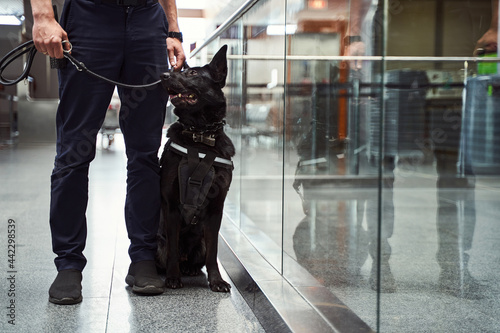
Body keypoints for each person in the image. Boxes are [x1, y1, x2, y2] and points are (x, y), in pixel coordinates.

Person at [30, 0, 185, 304]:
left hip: (146, 20)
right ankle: (69, 264)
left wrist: (173, 29)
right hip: (89, 18)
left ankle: (143, 256)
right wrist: (43, 15)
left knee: (144, 153)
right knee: (74, 151)